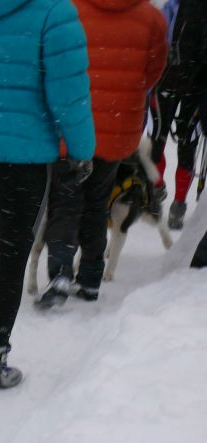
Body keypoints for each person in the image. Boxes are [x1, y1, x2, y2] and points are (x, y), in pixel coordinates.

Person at [0, 0, 95, 393]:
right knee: (11, 256)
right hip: (25, 160)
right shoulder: (54, 14)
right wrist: (81, 149)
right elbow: (68, 95)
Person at [36, 0, 168, 308]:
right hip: (119, 126)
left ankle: (60, 274)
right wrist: (124, 95)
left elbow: (53, 62)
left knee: (65, 202)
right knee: (98, 203)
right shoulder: (151, 17)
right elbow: (153, 73)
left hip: (73, 121)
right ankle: (91, 279)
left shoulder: (68, 9)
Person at [150, 0, 207, 230]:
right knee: (179, 141)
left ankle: (166, 196)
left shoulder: (174, 5)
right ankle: (170, 198)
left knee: (163, 138)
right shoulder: (173, 4)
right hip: (186, 81)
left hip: (174, 79)